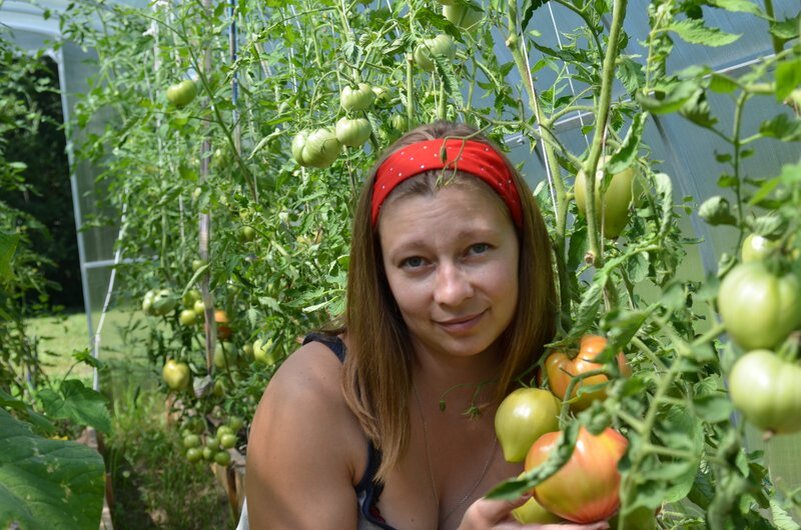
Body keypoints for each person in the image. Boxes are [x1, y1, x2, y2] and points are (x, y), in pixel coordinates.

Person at [241, 121, 609, 530]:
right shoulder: (313, 401)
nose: (452, 292)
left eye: (477, 249)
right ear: (381, 275)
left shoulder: (572, 384)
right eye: (415, 261)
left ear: (523, 249)